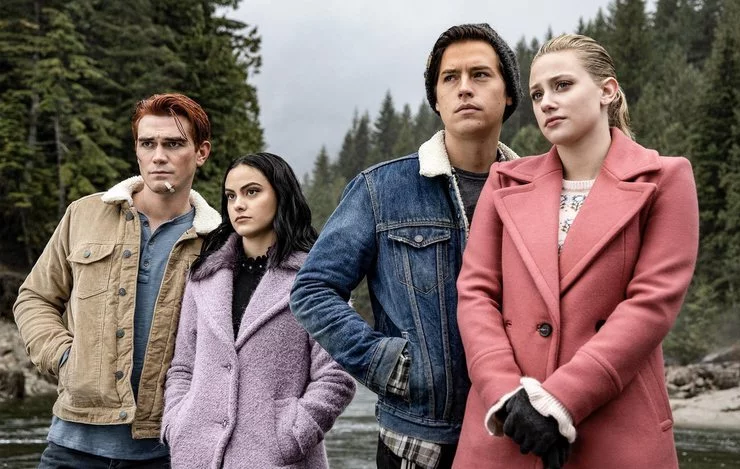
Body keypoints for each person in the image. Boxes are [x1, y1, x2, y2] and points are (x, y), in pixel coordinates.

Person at [453, 34, 699, 468]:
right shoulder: (504, 181)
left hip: (615, 428)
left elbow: (651, 306)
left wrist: (559, 401)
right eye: (537, 94)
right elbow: (475, 295)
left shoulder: (666, 179)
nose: (547, 102)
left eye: (562, 85)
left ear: (608, 91)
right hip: (509, 427)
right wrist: (507, 395)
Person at [291, 23, 522, 469]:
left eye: (480, 74)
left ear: (509, 93)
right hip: (417, 444)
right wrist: (389, 363)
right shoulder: (381, 190)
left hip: (516, 434)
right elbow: (312, 289)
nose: (464, 88)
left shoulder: (536, 190)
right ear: (436, 99)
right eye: (450, 78)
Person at [13, 93, 221, 467]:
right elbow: (35, 297)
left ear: (201, 152)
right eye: (148, 143)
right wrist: (64, 357)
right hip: (71, 446)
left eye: (174, 144)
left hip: (168, 451)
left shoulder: (220, 242)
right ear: (137, 150)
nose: (159, 156)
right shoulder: (84, 214)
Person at [160, 152, 356, 468]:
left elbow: (336, 376)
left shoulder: (317, 280)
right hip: (196, 455)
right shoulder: (203, 277)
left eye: (252, 192)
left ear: (281, 194)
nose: (238, 204)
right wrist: (177, 422)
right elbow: (183, 367)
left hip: (276, 458)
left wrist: (292, 435)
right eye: (231, 196)